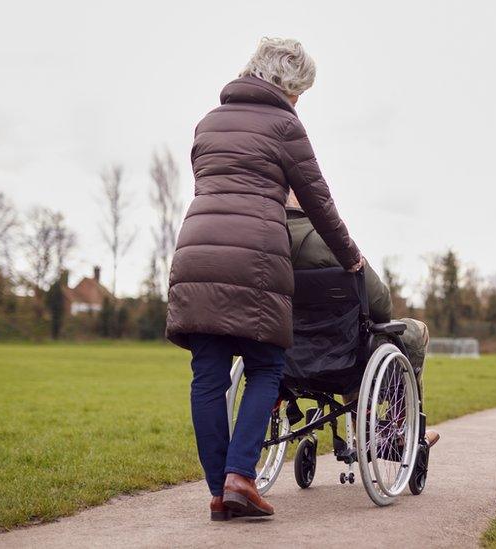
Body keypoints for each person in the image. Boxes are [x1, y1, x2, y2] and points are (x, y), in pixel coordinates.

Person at [166, 37, 364, 521]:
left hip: (196, 250)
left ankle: (221, 492)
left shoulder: (207, 122)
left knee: (208, 374)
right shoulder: (285, 125)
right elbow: (318, 200)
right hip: (254, 255)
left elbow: (209, 186)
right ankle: (240, 478)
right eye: (300, 91)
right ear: (288, 86)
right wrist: (350, 257)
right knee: (266, 366)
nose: (299, 101)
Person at [285, 194, 440, 447]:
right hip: (341, 355)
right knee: (414, 330)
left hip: (289, 353)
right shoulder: (332, 240)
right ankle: (402, 426)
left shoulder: (264, 241)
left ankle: (363, 427)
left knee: (351, 338)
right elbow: (381, 306)